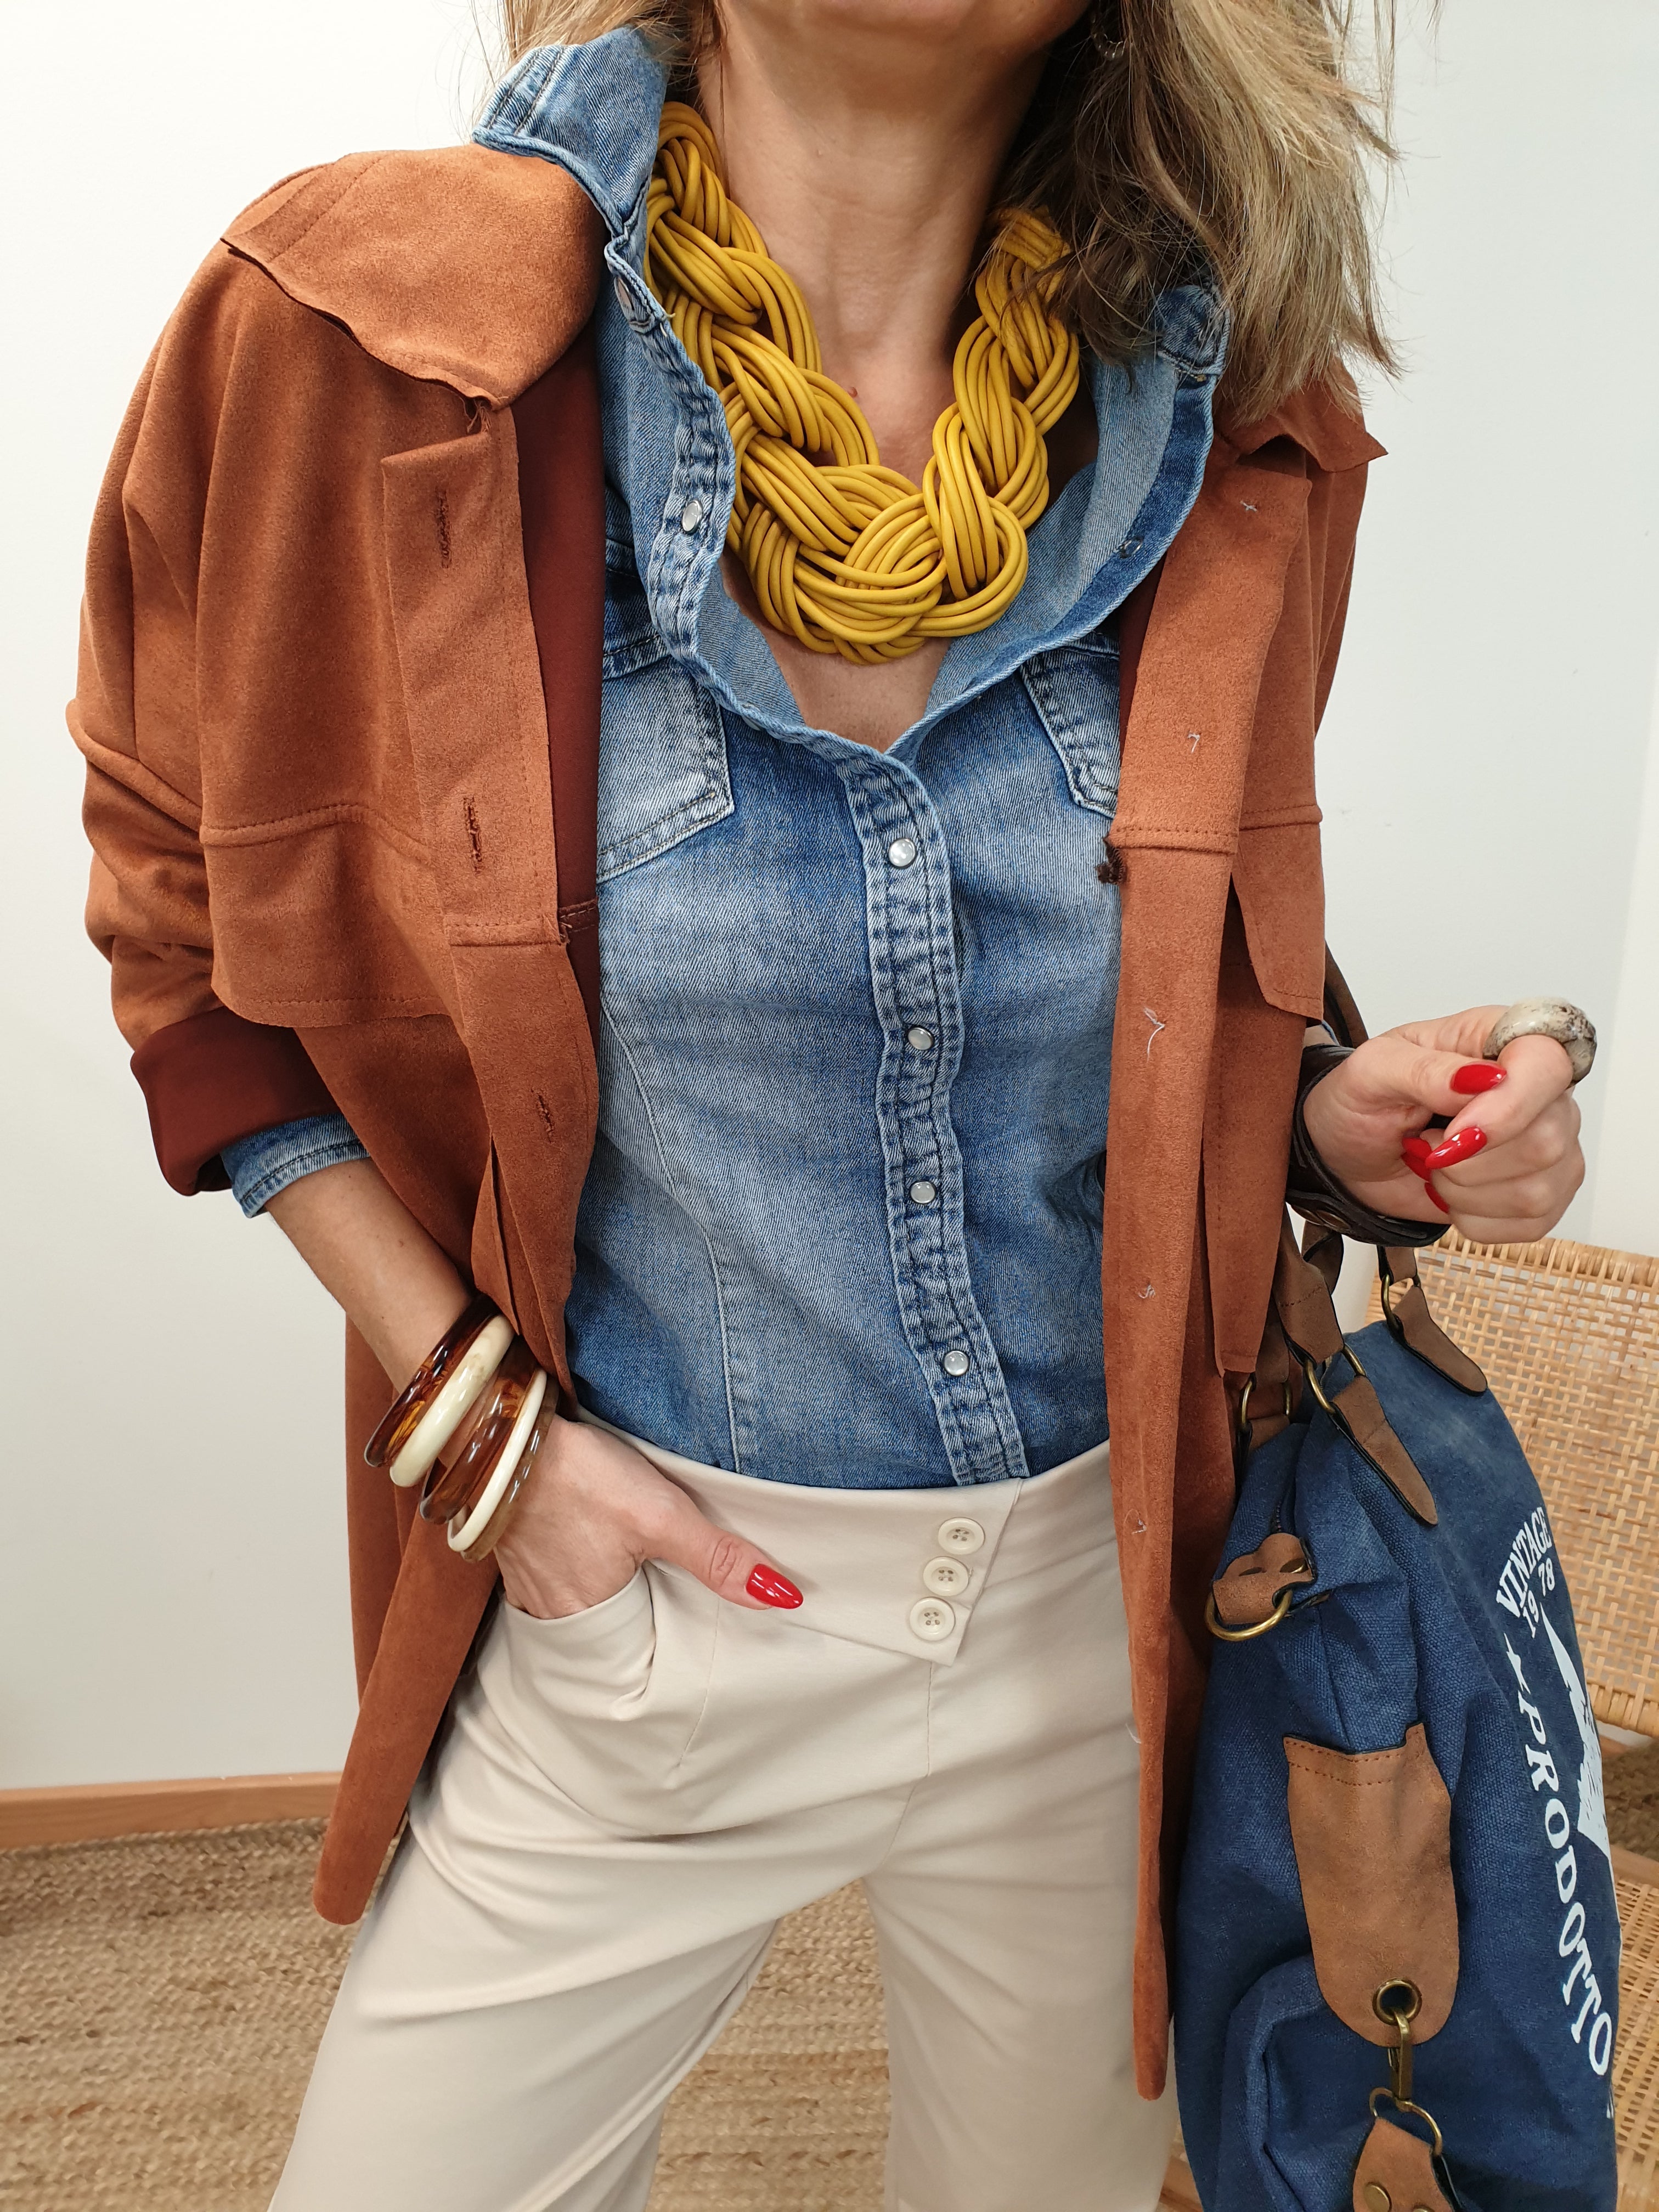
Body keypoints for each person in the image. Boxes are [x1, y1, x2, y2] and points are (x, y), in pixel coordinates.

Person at [69, 2, 1588, 2207]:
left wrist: (1333, 1114)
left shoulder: (1242, 423)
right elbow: (185, 942)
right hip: (652, 1607)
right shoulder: (361, 331)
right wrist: (490, 1446)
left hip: (1099, 1620)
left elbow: (1147, 1007)